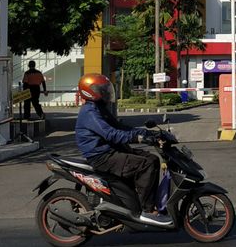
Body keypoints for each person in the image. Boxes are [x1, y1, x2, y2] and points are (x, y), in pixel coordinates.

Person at [74, 73, 172, 226]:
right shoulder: (90, 112)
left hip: (111, 151)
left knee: (152, 159)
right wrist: (138, 139)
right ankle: (147, 210)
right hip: (102, 157)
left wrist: (148, 133)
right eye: (102, 89)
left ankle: (139, 201)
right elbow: (111, 134)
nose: (106, 92)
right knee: (145, 165)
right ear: (91, 91)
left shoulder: (99, 108)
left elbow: (120, 127)